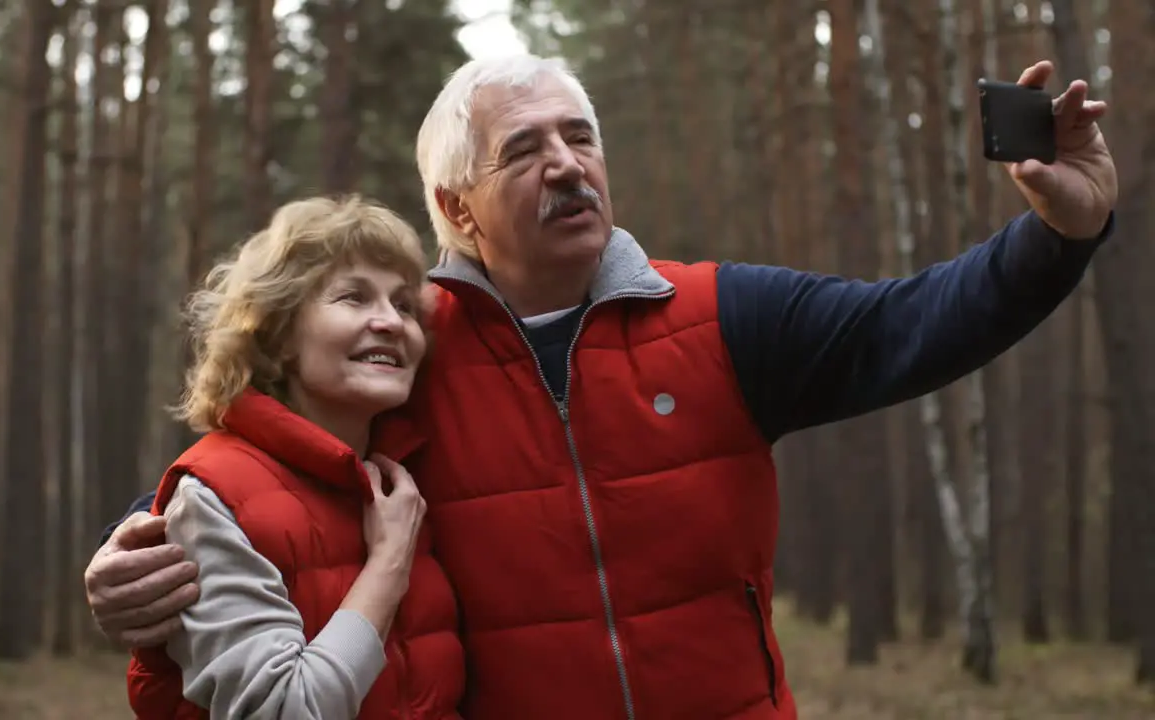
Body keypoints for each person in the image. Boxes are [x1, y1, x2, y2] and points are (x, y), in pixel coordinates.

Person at [85, 55, 1116, 719]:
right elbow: (263, 458)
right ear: (458, 207)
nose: (567, 165)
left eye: (580, 138)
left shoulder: (721, 318)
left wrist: (1057, 236)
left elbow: (912, 323)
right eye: (524, 150)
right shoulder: (405, 350)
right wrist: (141, 534)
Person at [122, 196, 464, 719]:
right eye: (354, 297)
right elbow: (282, 711)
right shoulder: (213, 498)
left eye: (404, 306)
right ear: (279, 336)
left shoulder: (403, 484)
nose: (391, 323)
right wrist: (388, 565)